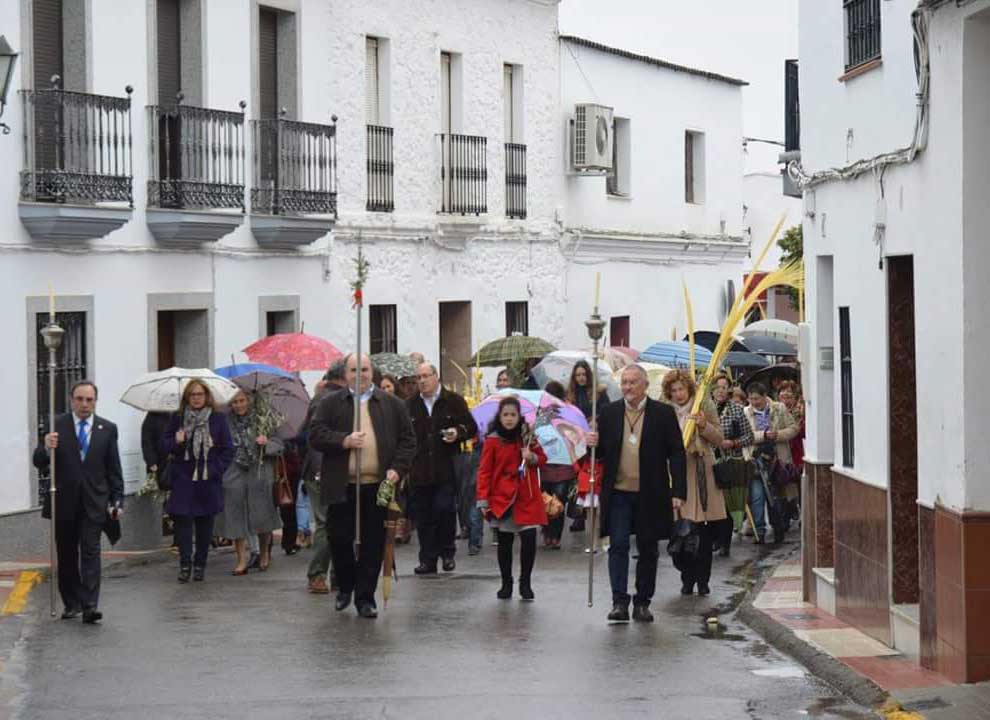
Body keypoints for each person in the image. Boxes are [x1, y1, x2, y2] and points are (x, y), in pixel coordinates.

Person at [309, 353, 416, 619]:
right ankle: (346, 585)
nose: (361, 375)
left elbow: (407, 441)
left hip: (377, 483)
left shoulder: (391, 404)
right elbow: (315, 435)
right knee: (339, 537)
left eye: (365, 369)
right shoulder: (331, 403)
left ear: (373, 372)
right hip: (342, 483)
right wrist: (343, 440)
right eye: (355, 370)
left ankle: (365, 597)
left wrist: (396, 469)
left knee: (373, 542)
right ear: (346, 374)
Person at [586, 365, 687, 623]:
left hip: (650, 493)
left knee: (648, 548)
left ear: (644, 385)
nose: (627, 387)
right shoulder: (609, 413)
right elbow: (598, 456)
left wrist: (679, 491)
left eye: (632, 383)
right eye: (625, 383)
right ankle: (619, 601)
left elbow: (677, 453)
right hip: (618, 493)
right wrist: (591, 444)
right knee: (617, 545)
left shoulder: (662, 414)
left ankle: (642, 601)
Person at [33, 380, 124, 624]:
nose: (85, 404)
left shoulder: (107, 428)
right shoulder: (57, 425)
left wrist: (117, 499)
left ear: (95, 401)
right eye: (80, 399)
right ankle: (71, 603)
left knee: (91, 553)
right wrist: (45, 446)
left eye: (90, 400)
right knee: (67, 555)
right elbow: (38, 461)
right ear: (72, 400)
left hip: (94, 502)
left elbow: (114, 468)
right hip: (64, 501)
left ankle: (90, 605)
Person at [407, 363, 478, 575]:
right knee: (424, 516)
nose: (422, 381)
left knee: (444, 510)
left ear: (436, 376)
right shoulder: (409, 405)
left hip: (446, 467)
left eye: (426, 376)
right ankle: (427, 559)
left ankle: (447, 553)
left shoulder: (453, 401)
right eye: (418, 377)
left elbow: (471, 427)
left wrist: (458, 432)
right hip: (419, 469)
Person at [162, 380, 234, 583]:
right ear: (187, 397)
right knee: (183, 523)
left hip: (207, 478)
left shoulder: (218, 418)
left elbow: (228, 448)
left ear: (206, 396)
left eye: (200, 394)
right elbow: (165, 445)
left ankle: (200, 564)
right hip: (183, 478)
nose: (196, 398)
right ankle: (185, 565)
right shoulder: (177, 418)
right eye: (192, 395)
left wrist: (216, 469)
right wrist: (176, 441)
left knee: (204, 524)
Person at [477, 396, 548, 600]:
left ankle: (525, 582)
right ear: (500, 416)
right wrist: (483, 499)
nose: (509, 419)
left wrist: (531, 456)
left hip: (526, 495)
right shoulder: (492, 440)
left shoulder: (527, 437)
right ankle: (506, 582)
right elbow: (484, 471)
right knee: (505, 542)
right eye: (505, 415)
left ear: (519, 417)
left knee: (528, 539)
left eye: (513, 415)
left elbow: (542, 458)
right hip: (502, 498)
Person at [663, 370, 726, 596]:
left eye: (681, 389)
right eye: (674, 391)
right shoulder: (666, 412)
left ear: (689, 389)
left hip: (701, 473)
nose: (678, 394)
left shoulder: (703, 406)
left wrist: (703, 426)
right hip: (678, 475)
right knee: (682, 531)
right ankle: (686, 577)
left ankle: (703, 579)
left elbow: (720, 439)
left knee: (703, 532)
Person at [215, 391, 284, 575]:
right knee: (235, 514)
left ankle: (263, 554)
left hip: (258, 470)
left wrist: (267, 443)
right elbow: (217, 445)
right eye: (235, 402)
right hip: (233, 471)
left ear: (249, 401)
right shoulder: (224, 421)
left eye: (242, 401)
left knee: (261, 514)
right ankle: (241, 560)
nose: (239, 405)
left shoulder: (263, 418)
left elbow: (280, 444)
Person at [301, 360, 347, 594]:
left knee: (336, 523)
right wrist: (320, 470)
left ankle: (337, 574)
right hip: (322, 472)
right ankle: (317, 574)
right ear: (343, 376)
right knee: (326, 523)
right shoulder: (326, 400)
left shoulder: (334, 397)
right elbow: (315, 438)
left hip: (333, 470)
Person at [742, 382, 798, 544]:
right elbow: (745, 435)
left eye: (757, 399)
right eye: (751, 399)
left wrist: (778, 434)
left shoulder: (779, 408)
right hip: (755, 460)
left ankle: (779, 527)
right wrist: (763, 435)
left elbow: (793, 428)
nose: (754, 402)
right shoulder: (745, 412)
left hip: (777, 460)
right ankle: (759, 531)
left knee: (778, 496)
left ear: (765, 396)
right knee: (757, 496)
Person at [712, 375, 754, 557]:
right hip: (710, 461)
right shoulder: (705, 408)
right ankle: (713, 538)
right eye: (717, 387)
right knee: (712, 502)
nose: (721, 391)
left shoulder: (737, 410)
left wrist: (734, 442)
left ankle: (724, 542)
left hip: (730, 463)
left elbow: (749, 436)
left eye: (724, 387)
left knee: (727, 502)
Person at [566, 360, 608, 533]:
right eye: (578, 375)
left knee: (591, 475)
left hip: (592, 437)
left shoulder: (598, 393)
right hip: (576, 438)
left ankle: (593, 513)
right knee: (577, 477)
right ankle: (578, 515)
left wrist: (596, 419)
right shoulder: (570, 396)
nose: (581, 378)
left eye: (583, 374)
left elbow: (607, 412)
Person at [540, 381, 576, 549]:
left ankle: (555, 535)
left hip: (563, 466)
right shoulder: (542, 416)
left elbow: (573, 436)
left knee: (558, 502)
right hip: (546, 464)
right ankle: (547, 533)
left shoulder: (568, 414)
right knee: (545, 502)